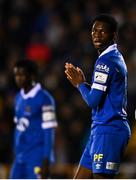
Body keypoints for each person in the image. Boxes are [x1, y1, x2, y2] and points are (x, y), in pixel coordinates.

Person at [65, 14, 131, 179]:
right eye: (94, 30)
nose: (97, 35)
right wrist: (84, 84)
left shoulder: (105, 62)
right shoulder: (114, 57)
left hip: (109, 130)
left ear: (114, 35)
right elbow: (102, 94)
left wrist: (80, 85)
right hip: (100, 129)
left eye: (103, 32)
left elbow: (93, 100)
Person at [9, 59, 58, 179]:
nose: (18, 78)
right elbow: (18, 128)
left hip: (37, 156)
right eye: (16, 75)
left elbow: (49, 131)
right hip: (20, 157)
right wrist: (15, 152)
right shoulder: (18, 98)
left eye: (22, 75)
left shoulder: (45, 99)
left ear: (31, 76)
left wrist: (46, 159)